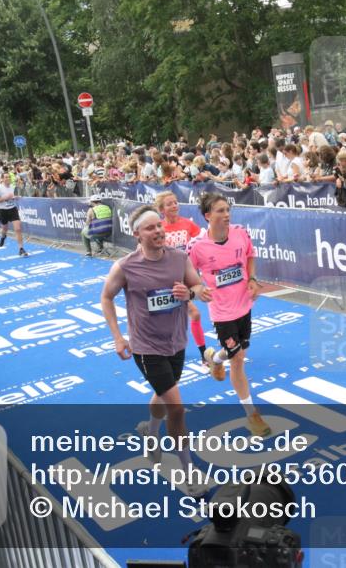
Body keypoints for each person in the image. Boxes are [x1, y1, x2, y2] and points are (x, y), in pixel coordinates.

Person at [100, 205, 211, 495]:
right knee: (176, 407)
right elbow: (106, 298)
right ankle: (189, 472)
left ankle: (150, 432)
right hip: (145, 347)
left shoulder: (179, 258)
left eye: (159, 226)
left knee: (162, 397)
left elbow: (196, 285)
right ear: (137, 234)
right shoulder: (125, 266)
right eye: (150, 228)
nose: (158, 231)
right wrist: (117, 337)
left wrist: (191, 294)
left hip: (176, 341)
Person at [188, 193, 271, 437]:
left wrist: (253, 279)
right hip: (222, 312)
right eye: (220, 211)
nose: (226, 215)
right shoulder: (197, 246)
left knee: (240, 350)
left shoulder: (240, 232)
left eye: (227, 210)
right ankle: (252, 415)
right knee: (238, 359)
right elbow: (186, 275)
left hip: (245, 305)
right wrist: (197, 288)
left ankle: (214, 359)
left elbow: (249, 256)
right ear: (207, 216)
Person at [154, 191, 211, 362]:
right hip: (166, 279)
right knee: (185, 314)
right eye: (170, 203)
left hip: (186, 277)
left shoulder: (188, 224)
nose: (175, 206)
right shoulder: (159, 227)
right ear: (161, 209)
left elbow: (202, 244)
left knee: (193, 314)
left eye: (176, 202)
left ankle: (202, 355)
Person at [0, 173, 29, 257]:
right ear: (2, 179)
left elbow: (13, 196)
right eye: (6, 177)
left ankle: (21, 249)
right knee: (4, 229)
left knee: (18, 229)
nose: (7, 178)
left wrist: (15, 197)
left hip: (12, 209)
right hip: (3, 211)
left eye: (9, 177)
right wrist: (5, 198)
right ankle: (3, 236)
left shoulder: (12, 187)